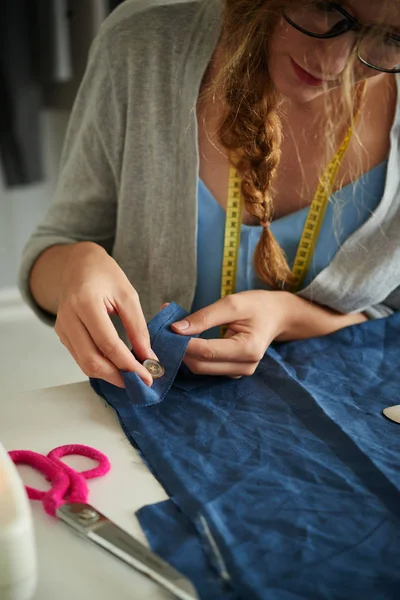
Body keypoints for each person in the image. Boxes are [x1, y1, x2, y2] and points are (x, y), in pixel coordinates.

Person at [19, 0, 400, 388]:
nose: (333, 62)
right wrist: (73, 268)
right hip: (145, 422)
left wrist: (289, 316)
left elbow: (393, 313)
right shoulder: (145, 43)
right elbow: (50, 251)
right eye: (324, 7)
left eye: (390, 38)